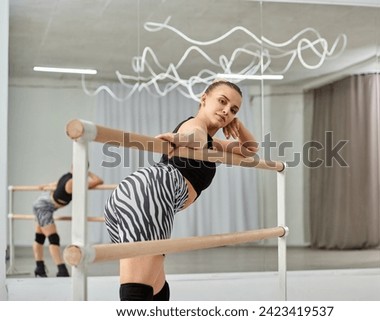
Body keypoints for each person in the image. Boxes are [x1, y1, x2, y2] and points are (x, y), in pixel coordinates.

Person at [104, 80, 259, 300]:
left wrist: (238, 125)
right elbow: (194, 136)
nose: (227, 111)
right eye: (222, 102)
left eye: (233, 109)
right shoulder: (195, 126)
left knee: (157, 286)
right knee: (137, 290)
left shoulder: (211, 143)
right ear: (204, 99)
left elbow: (250, 151)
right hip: (151, 192)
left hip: (137, 194)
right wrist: (179, 139)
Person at [33, 166, 103, 277]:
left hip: (44, 202)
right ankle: (62, 270)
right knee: (53, 238)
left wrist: (45, 186)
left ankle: (39, 268)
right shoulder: (73, 182)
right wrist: (88, 173)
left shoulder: (67, 176)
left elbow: (55, 184)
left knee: (40, 237)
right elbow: (99, 181)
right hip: (44, 207)